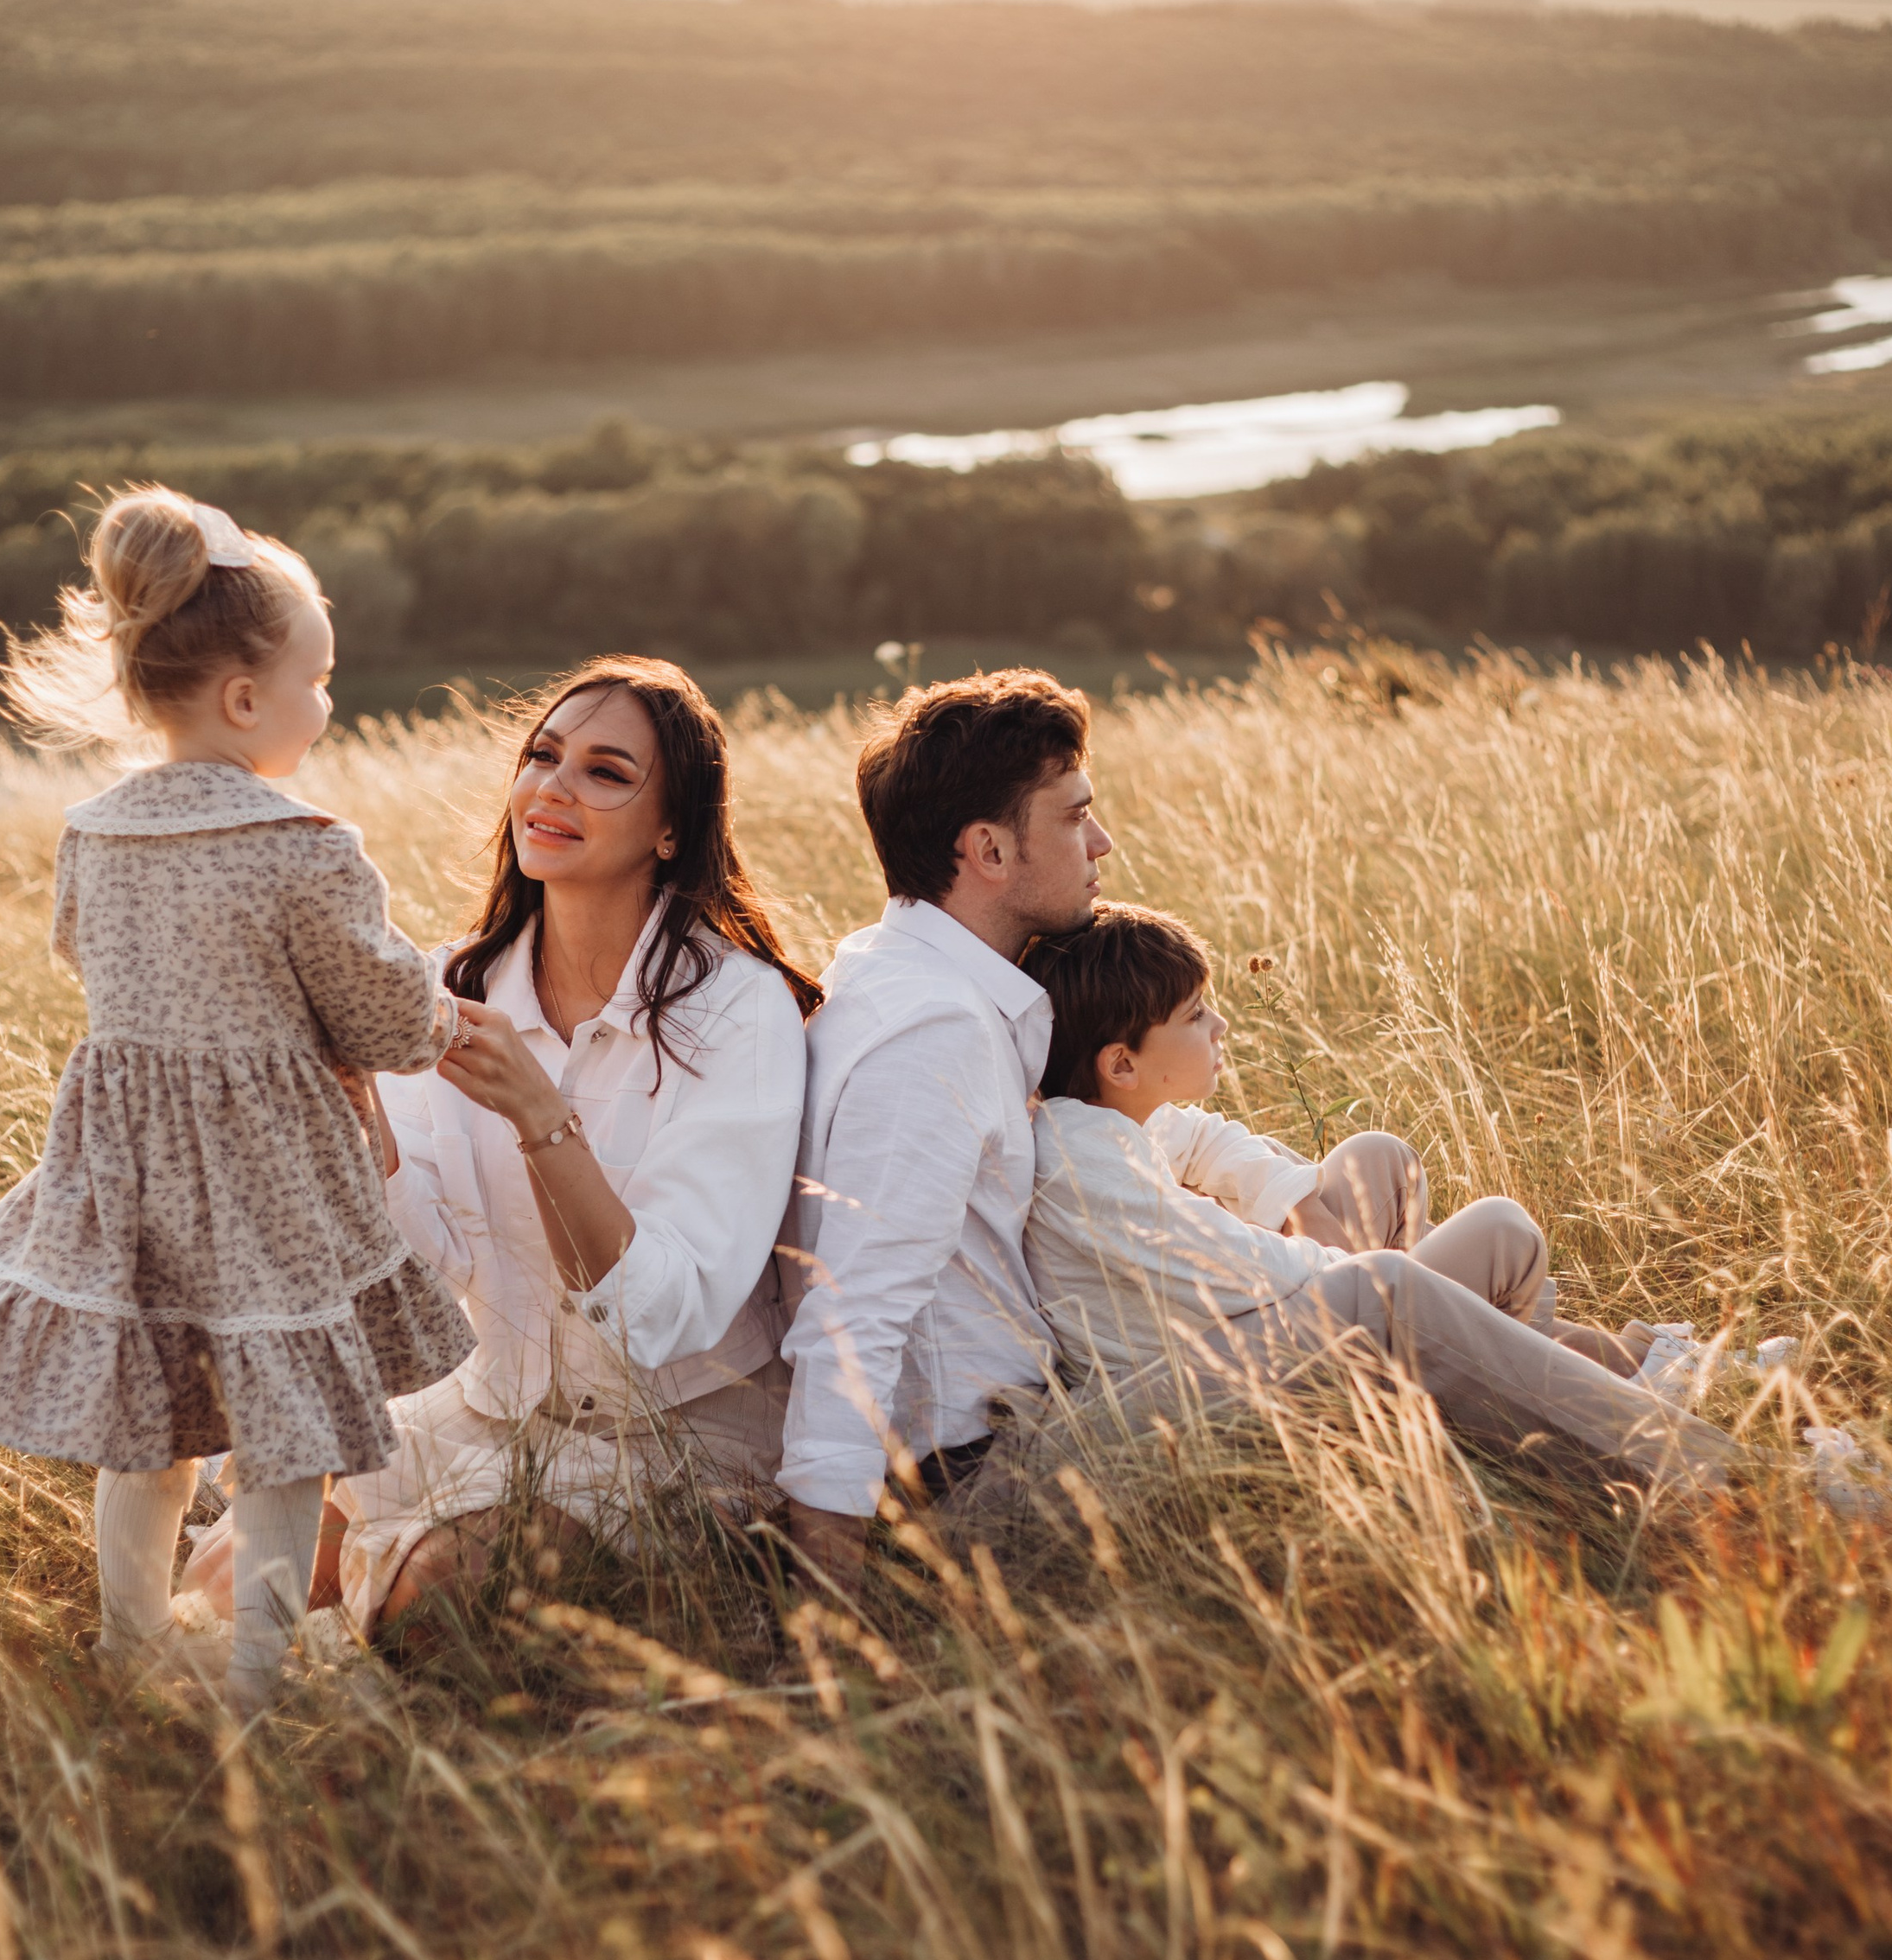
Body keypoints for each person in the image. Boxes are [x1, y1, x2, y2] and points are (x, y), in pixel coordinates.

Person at [0, 486, 473, 1715]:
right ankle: (262, 1670)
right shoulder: (305, 844)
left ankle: (130, 1642)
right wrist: (451, 1016)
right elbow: (388, 1019)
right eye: (320, 680)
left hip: (127, 1175)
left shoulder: (94, 832)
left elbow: (86, 958)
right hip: (269, 1183)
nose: (327, 704)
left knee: (157, 1421)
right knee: (285, 1432)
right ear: (248, 702)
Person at [192, 656, 819, 1638]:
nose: (552, 787)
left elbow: (658, 1315)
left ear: (671, 829)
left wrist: (543, 1120)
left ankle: (411, 1629)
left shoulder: (736, 1010)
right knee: (234, 1576)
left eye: (605, 772)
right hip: (492, 1408)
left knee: (432, 1594)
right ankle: (343, 1629)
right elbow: (427, 1259)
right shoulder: (452, 983)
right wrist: (360, 1113)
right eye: (542, 756)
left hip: (677, 1432)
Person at [1020, 905, 1734, 1500]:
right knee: (1498, 1236)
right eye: (1196, 1015)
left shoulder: (1103, 1118)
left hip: (1239, 1349)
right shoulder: (1089, 1167)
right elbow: (1248, 1268)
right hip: (1221, 1402)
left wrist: (1301, 1202)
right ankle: (1666, 1414)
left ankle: (1598, 1370)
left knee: (1377, 1160)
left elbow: (1208, 1141)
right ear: (1122, 1063)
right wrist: (1350, 1262)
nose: (1221, 1027)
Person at [778, 671, 1112, 1591]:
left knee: (1399, 1260)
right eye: (1075, 818)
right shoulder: (933, 1030)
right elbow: (854, 1313)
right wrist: (825, 1604)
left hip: (1017, 1433)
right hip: (983, 1473)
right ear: (988, 851)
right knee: (1387, 1306)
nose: (1102, 843)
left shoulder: (896, 969)